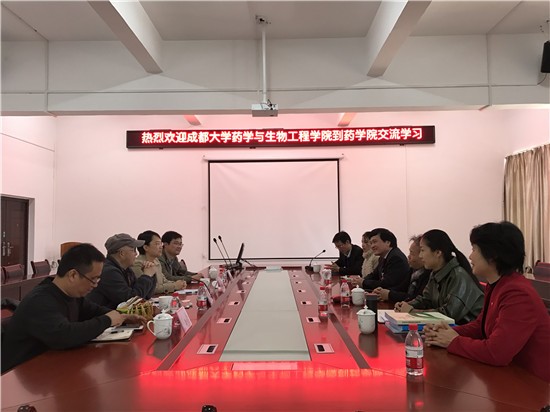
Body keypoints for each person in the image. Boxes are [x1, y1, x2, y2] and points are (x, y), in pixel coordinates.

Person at [424, 222, 550, 382]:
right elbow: (481, 326)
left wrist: (453, 340)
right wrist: (448, 332)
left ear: (493, 254)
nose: (470, 256)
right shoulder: (498, 284)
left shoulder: (518, 293)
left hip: (534, 384)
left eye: (474, 249)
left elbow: (497, 352)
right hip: (509, 376)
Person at [1, 244, 146, 373]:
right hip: (20, 374)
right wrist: (108, 320)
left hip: (51, 366)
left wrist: (122, 317)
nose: (95, 285)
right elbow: (65, 335)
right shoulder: (40, 300)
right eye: (93, 279)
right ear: (73, 275)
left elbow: (94, 310)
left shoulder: (71, 295)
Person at [394, 229, 484, 325]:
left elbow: (449, 314)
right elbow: (426, 300)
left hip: (467, 329)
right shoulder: (435, 273)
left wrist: (413, 311)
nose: (420, 255)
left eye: (422, 250)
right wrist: (406, 305)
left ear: (438, 253)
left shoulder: (458, 276)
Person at [87, 233, 157, 309]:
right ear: (122, 253)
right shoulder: (109, 272)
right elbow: (130, 301)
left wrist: (151, 276)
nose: (136, 254)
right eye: (133, 250)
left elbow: (146, 296)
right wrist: (146, 276)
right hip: (104, 315)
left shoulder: (126, 269)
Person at [373, 235, 430, 302]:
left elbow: (417, 298)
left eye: (411, 253)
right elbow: (401, 288)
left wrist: (389, 294)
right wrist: (382, 292)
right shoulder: (413, 270)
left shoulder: (429, 274)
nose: (408, 256)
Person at [133, 230, 185, 294]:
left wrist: (179, 283)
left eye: (161, 243)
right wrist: (174, 286)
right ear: (146, 247)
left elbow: (164, 280)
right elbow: (151, 288)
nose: (161, 247)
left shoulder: (156, 261)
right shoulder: (137, 264)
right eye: (157, 244)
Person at [362, 228, 410, 292]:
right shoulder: (382, 257)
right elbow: (374, 275)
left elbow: (387, 284)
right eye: (371, 243)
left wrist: (363, 282)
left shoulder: (395, 258)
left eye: (375, 242)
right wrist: (360, 280)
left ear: (388, 242)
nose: (372, 246)